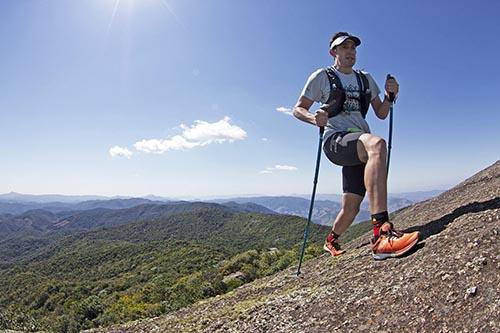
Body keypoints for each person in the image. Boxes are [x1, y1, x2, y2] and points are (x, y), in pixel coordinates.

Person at [293, 32, 419, 260]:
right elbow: (298, 108)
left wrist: (391, 97)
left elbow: (381, 113)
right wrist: (314, 119)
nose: (351, 51)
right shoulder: (322, 76)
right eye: (344, 47)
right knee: (378, 144)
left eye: (353, 47)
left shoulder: (365, 79)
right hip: (336, 140)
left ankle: (331, 240)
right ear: (334, 52)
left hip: (360, 144)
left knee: (351, 207)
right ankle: (381, 234)